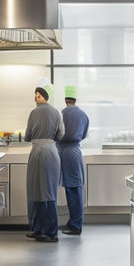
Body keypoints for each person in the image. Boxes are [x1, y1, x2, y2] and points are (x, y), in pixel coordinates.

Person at [24, 80, 65, 242]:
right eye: (35, 96)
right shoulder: (56, 113)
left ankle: (40, 229)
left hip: (36, 153)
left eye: (38, 96)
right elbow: (60, 135)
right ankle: (50, 231)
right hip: (51, 153)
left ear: (44, 97)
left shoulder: (33, 113)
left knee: (35, 191)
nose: (36, 99)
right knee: (49, 192)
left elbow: (27, 136)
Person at [56, 85, 89, 236]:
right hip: (75, 151)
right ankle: (74, 222)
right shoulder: (82, 114)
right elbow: (84, 134)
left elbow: (56, 133)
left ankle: (76, 225)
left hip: (63, 151)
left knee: (72, 190)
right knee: (75, 188)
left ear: (65, 99)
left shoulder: (61, 114)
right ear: (75, 99)